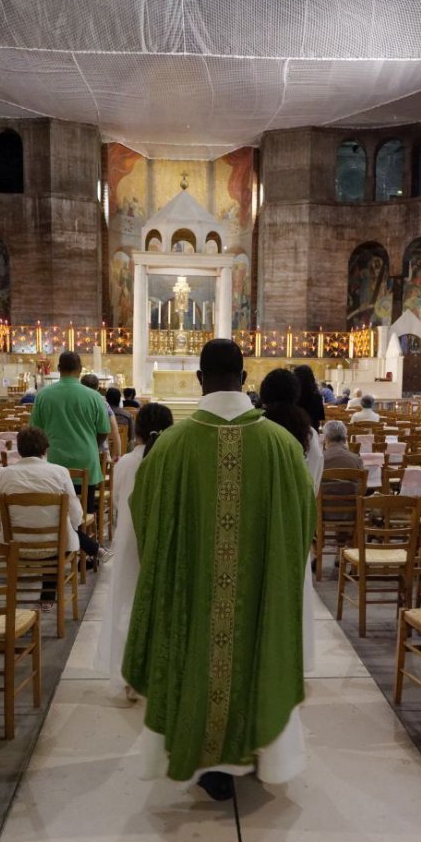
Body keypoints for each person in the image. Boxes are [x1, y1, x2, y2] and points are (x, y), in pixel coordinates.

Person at [122, 339, 316, 800]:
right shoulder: (282, 447)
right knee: (254, 652)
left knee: (199, 655)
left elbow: (145, 521)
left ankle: (205, 758)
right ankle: (256, 753)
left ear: (199, 379)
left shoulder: (169, 447)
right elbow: (301, 525)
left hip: (194, 598)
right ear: (245, 380)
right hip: (256, 601)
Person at [97, 403, 174, 696]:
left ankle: (128, 675)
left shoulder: (127, 463)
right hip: (163, 540)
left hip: (130, 540)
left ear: (138, 430)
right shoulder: (173, 459)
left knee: (128, 604)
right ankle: (161, 673)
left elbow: (117, 502)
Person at [259, 367, 323, 674]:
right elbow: (315, 479)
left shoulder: (259, 428)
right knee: (296, 588)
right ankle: (293, 659)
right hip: (298, 519)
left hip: (263, 519)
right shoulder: (309, 433)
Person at [0, 426, 86, 602]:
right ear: (45, 448)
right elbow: (76, 515)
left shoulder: (3, 474)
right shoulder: (60, 472)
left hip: (15, 546)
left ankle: (38, 604)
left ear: (19, 450)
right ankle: (47, 603)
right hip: (56, 546)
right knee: (65, 539)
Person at [30, 352, 109, 510]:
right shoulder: (94, 396)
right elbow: (104, 430)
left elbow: (35, 430)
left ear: (59, 368)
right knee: (86, 513)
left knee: (57, 513)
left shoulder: (43, 396)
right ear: (80, 370)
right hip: (86, 461)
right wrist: (93, 444)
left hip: (55, 460)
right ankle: (83, 534)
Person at [82, 373, 121, 460]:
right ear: (97, 388)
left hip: (80, 450)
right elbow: (115, 430)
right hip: (101, 453)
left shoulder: (76, 404)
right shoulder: (103, 404)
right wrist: (118, 453)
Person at [293, 364, 325, 428]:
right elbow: (320, 418)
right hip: (312, 432)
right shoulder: (318, 397)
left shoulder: (293, 397)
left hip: (295, 431)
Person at [106, 386, 134, 452]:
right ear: (119, 399)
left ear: (106, 399)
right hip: (122, 452)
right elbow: (131, 437)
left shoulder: (101, 414)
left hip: (104, 455)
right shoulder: (127, 415)